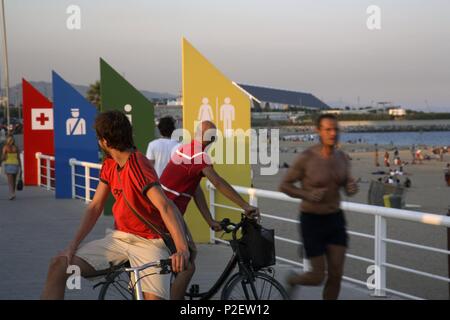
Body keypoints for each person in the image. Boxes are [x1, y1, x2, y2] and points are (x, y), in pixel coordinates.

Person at [41, 111, 190, 300]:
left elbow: (165, 206)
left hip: (149, 242)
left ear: (104, 141)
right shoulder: (110, 164)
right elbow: (95, 207)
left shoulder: (138, 164)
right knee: (59, 265)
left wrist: (181, 249)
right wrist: (72, 246)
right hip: (119, 239)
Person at [159, 120, 260, 300]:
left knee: (191, 252)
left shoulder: (187, 148)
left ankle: (176, 291)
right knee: (188, 266)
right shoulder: (198, 156)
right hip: (165, 215)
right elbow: (218, 182)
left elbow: (195, 190)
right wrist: (245, 205)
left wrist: (209, 221)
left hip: (169, 212)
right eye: (210, 135)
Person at [279, 114, 358, 300]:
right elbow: (284, 185)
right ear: (318, 131)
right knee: (317, 277)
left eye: (335, 129)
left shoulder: (343, 158)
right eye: (328, 129)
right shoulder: (306, 158)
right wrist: (306, 194)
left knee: (336, 275)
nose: (333, 133)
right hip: (312, 220)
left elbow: (348, 187)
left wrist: (351, 188)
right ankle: (293, 280)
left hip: (335, 219)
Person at [2, 135, 22, 200]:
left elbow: (3, 157)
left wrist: (3, 158)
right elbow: (18, 158)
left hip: (8, 165)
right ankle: (13, 193)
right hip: (16, 164)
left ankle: (11, 194)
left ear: (7, 140)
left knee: (10, 181)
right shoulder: (16, 147)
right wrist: (21, 167)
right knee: (14, 180)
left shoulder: (5, 147)